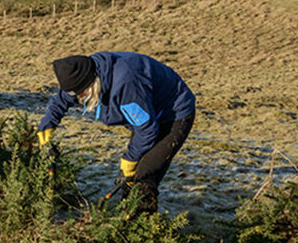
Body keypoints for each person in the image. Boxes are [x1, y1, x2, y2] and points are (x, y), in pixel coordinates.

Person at [37, 52, 195, 215]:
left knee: (144, 174)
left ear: (91, 83)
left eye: (81, 94)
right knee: (131, 178)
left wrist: (129, 161)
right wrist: (46, 128)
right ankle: (127, 215)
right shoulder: (81, 72)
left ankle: (142, 229)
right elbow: (62, 100)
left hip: (173, 115)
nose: (79, 98)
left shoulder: (126, 84)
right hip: (146, 116)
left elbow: (146, 130)